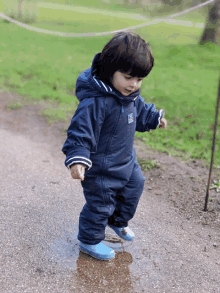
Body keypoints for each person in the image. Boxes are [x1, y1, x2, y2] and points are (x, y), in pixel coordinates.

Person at [62, 31, 167, 261]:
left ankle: (117, 221)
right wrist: (78, 158)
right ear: (111, 71)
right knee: (100, 205)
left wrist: (153, 118)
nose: (134, 85)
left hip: (127, 162)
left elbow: (140, 111)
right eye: (129, 77)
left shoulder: (129, 96)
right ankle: (89, 240)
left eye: (139, 79)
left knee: (134, 188)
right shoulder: (95, 102)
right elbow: (80, 131)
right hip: (101, 170)